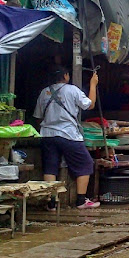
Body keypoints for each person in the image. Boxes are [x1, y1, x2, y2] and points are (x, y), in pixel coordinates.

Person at [33, 65, 100, 210]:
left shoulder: (44, 92)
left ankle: (51, 203)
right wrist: (93, 84)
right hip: (68, 134)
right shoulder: (72, 90)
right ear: (65, 76)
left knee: (50, 168)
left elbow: (38, 118)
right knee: (86, 164)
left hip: (47, 135)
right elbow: (90, 104)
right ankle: (81, 201)